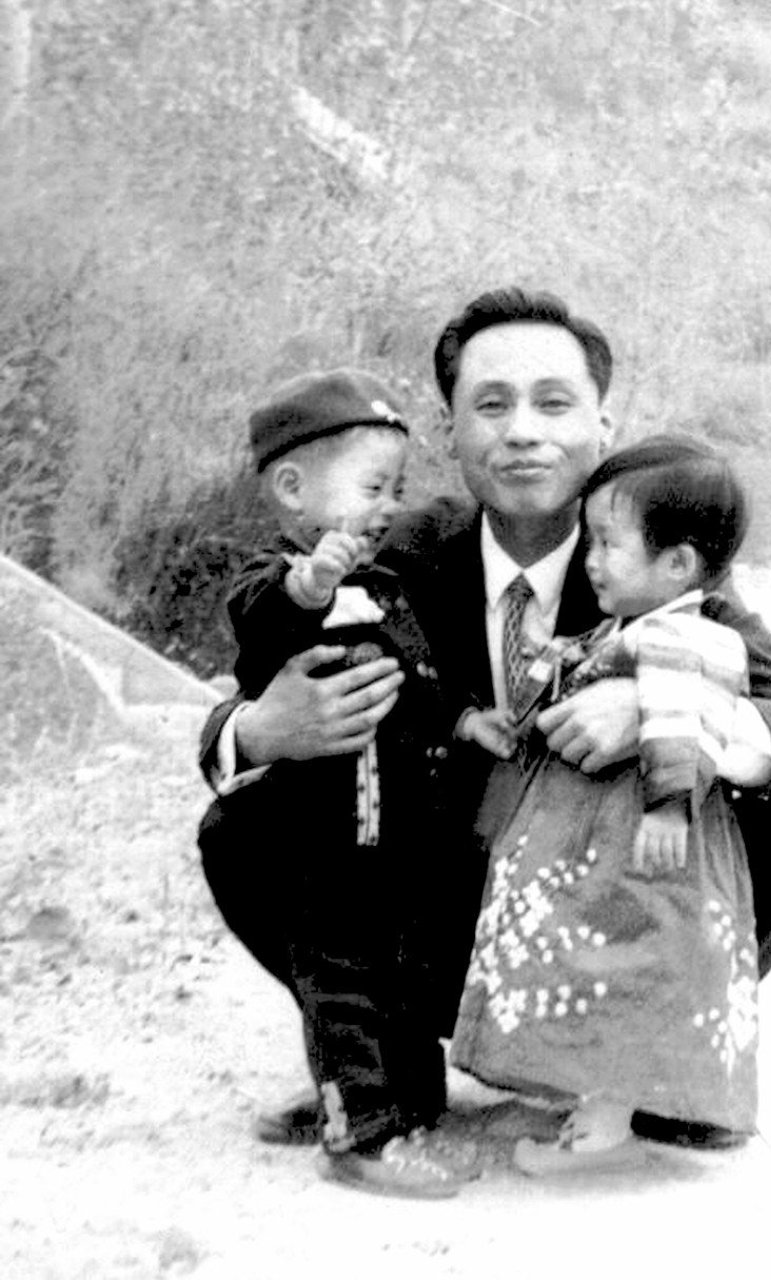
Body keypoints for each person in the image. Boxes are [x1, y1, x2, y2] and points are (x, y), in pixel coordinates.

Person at [197, 287, 771, 1156]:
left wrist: (660, 706)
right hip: (437, 896)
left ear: (603, 426)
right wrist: (260, 728)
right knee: (244, 825)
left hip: (592, 896)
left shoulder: (652, 563)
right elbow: (233, 706)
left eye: (554, 402)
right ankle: (374, 1065)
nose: (522, 431)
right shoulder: (389, 552)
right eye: (490, 405)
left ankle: (651, 1065)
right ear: (453, 433)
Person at [200, 368, 477, 1198]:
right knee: (341, 976)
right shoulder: (272, 580)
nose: (391, 504)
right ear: (293, 488)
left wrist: (465, 721)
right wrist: (309, 584)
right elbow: (259, 637)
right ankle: (359, 1130)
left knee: (390, 970)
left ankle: (404, 1096)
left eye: (398, 487)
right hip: (320, 837)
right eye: (373, 487)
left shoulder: (387, 581)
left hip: (399, 832)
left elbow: (422, 679)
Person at [452, 435, 760, 1174]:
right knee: (584, 958)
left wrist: (667, 804)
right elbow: (590, 662)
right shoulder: (639, 627)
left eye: (608, 544)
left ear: (677, 564)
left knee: (627, 961)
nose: (589, 559)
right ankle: (575, 1090)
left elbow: (683, 715)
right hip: (596, 832)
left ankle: (607, 1123)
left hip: (639, 837)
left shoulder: (692, 637)